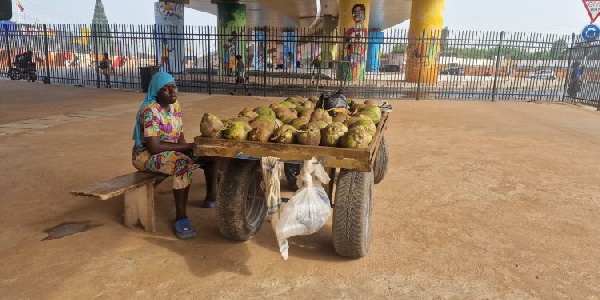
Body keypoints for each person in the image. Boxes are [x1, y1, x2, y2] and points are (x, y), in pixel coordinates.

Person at [131, 72, 218, 239]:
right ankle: (181, 218)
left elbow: (179, 135)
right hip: (145, 155)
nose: (172, 92)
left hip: (170, 150)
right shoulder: (150, 111)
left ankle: (211, 197)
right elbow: (154, 147)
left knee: (209, 155)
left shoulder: (175, 106)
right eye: (165, 89)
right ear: (156, 92)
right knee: (183, 165)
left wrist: (189, 149)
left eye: (174, 87)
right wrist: (186, 148)